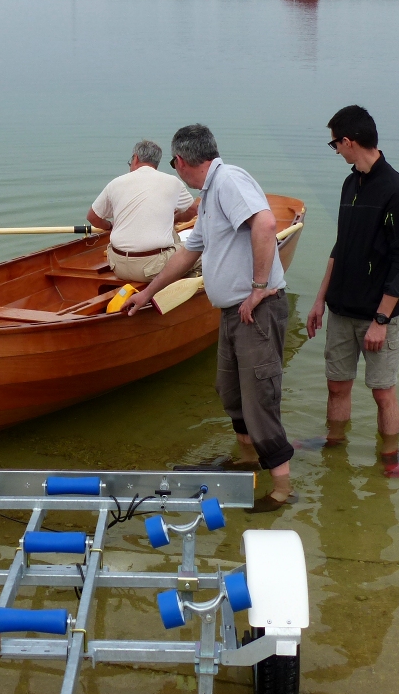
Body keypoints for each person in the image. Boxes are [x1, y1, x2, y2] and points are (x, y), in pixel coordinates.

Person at [125, 125, 295, 513]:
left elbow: (266, 224)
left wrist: (258, 286)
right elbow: (188, 253)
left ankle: (283, 487)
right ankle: (248, 459)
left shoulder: (229, 180)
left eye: (173, 163)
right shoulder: (209, 194)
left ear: (181, 162)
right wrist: (149, 292)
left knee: (259, 396)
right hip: (232, 312)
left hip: (256, 309)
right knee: (229, 390)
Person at [305, 106, 399, 478]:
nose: (336, 150)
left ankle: (390, 453)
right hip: (340, 309)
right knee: (337, 387)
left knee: (382, 392)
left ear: (349, 142)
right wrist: (320, 300)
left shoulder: (397, 189)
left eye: (335, 143)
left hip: (377, 315)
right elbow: (341, 246)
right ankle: (335, 443)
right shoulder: (350, 183)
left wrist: (382, 319)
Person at [86, 139, 198, 283]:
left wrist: (109, 226)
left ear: (136, 158)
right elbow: (193, 210)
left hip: (117, 265)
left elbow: (92, 217)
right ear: (156, 162)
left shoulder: (115, 183)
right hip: (150, 268)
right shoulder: (172, 182)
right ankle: (180, 284)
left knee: (171, 234)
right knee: (201, 251)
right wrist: (175, 218)